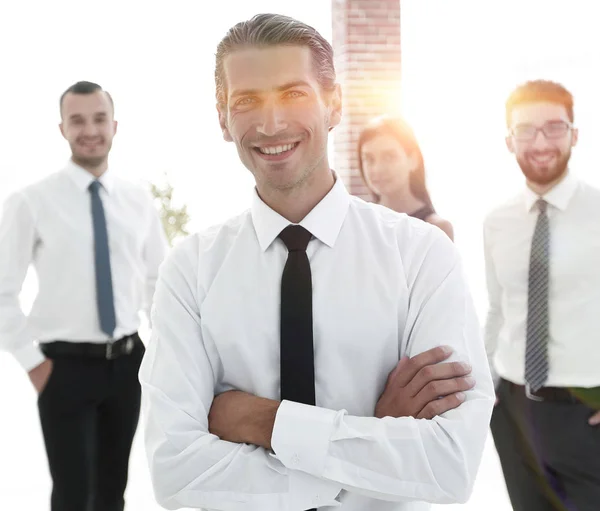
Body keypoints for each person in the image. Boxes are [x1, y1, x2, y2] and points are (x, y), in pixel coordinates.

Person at [140, 13, 494, 511]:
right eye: (247, 101)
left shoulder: (421, 255)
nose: (271, 123)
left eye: (293, 93)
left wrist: (263, 421)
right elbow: (175, 471)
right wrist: (372, 432)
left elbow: (450, 465)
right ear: (222, 118)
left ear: (334, 104)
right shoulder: (191, 270)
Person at [0, 81, 168, 511]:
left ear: (115, 125)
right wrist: (34, 365)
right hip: (64, 368)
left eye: (98, 119)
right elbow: (3, 291)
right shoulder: (31, 202)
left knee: (113, 492)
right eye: (77, 120)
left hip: (128, 364)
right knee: (73, 496)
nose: (89, 129)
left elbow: (156, 284)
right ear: (62, 128)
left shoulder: (138, 200)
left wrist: (164, 353)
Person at [484, 79, 600, 511]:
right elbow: (498, 310)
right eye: (527, 130)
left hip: (586, 411)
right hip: (514, 411)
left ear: (574, 134)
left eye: (554, 127)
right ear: (509, 140)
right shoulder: (497, 221)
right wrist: (485, 385)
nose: (541, 142)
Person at [358, 115, 454, 240]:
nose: (378, 169)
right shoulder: (359, 223)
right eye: (369, 159)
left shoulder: (436, 228)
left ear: (413, 160)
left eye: (389, 157)